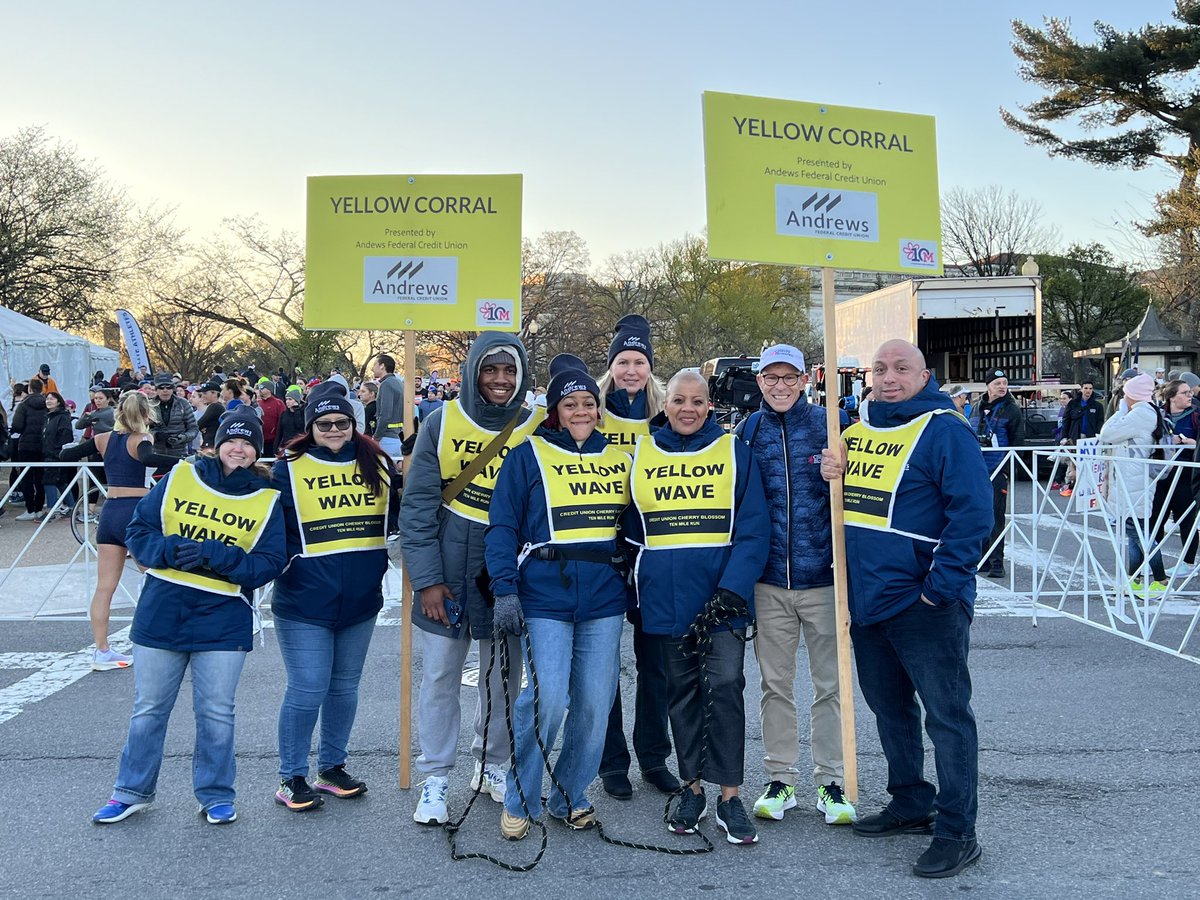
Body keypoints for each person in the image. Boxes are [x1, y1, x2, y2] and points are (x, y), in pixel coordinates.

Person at [820, 339, 992, 879]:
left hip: (924, 603)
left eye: (901, 369)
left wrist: (938, 589)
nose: (889, 377)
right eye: (880, 368)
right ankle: (911, 801)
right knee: (891, 712)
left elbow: (974, 516)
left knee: (947, 718)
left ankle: (957, 830)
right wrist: (831, 472)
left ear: (925, 375)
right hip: (867, 602)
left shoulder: (944, 428)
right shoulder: (854, 429)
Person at [91, 410, 287, 825]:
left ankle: (215, 794)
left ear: (257, 450)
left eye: (249, 443)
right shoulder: (181, 477)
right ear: (215, 444)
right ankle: (130, 791)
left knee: (216, 712)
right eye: (232, 440)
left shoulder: (267, 498)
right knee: (148, 709)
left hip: (223, 617)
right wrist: (166, 550)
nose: (240, 449)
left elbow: (268, 563)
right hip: (163, 610)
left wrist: (215, 555)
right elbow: (139, 531)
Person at [486, 356, 631, 839]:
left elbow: (635, 527)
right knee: (547, 698)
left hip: (603, 596)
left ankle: (570, 792)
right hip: (544, 592)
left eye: (589, 402)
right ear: (555, 411)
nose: (581, 411)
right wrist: (504, 589)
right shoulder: (527, 455)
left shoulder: (620, 457)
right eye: (570, 404)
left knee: (593, 704)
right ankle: (520, 795)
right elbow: (502, 526)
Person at [401, 333, 541, 825]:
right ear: (472, 372)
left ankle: (493, 762)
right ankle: (436, 776)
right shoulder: (441, 422)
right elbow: (416, 507)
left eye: (510, 371)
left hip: (507, 569)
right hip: (446, 567)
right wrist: (426, 579)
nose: (500, 380)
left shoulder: (536, 425)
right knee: (440, 675)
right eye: (490, 370)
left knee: (504, 676)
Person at [624, 369, 769, 845]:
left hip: (721, 602)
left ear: (710, 406)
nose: (688, 408)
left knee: (725, 688)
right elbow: (627, 530)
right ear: (665, 404)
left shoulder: (733, 451)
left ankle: (730, 795)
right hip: (664, 601)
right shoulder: (641, 453)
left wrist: (733, 590)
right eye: (679, 400)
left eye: (698, 401)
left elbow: (754, 529)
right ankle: (692, 789)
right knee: (681, 696)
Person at [735, 345, 856, 826]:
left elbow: (862, 495)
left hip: (823, 580)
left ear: (805, 380)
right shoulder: (748, 431)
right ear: (759, 381)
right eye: (771, 377)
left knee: (831, 685)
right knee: (775, 686)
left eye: (790, 377)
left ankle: (831, 779)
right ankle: (781, 777)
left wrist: (840, 474)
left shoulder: (830, 426)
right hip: (769, 583)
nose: (780, 386)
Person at [271, 381, 397, 811]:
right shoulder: (289, 465)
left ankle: (331, 767)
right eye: (324, 423)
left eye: (342, 422)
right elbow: (270, 523)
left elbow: (399, 513)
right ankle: (291, 776)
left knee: (344, 688)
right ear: (310, 426)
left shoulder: (376, 463)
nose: (334, 429)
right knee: (308, 688)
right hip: (305, 600)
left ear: (353, 423)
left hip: (360, 599)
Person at [594, 314, 677, 800]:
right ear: (611, 366)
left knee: (657, 664)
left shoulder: (666, 412)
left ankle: (653, 756)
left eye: (639, 361)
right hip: (601, 547)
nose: (631, 370)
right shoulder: (591, 408)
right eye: (623, 361)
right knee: (604, 665)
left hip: (653, 550)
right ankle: (611, 762)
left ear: (650, 367)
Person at [60, 392, 180, 669]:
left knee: (104, 587)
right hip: (136, 511)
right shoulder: (142, 439)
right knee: (156, 576)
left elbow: (68, 453)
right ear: (146, 414)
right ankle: (160, 638)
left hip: (109, 510)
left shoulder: (102, 439)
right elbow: (149, 459)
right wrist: (183, 460)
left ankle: (102, 651)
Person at [1100, 373, 1171, 592]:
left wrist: (1120, 410)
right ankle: (1135, 579)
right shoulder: (1145, 412)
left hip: (1134, 478)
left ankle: (1160, 579)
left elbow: (1106, 434)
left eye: (1125, 393)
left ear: (1132, 395)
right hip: (1133, 477)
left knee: (1138, 532)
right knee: (1134, 531)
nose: (1123, 396)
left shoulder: (1141, 413)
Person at [969, 369, 1024, 578]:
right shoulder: (976, 407)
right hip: (978, 469)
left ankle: (997, 562)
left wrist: (1011, 471)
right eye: (997, 383)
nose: (1002, 386)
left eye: (1005, 383)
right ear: (988, 386)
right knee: (978, 515)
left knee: (996, 516)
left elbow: (1018, 441)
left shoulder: (1011, 409)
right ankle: (982, 558)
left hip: (998, 468)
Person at [1155, 379, 1199, 578]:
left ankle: (1188, 563)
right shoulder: (1158, 415)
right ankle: (1153, 562)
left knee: (1186, 520)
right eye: (1184, 393)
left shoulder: (1195, 416)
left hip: (1185, 474)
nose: (1189, 396)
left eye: (1190, 392)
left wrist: (1190, 442)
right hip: (1161, 473)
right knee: (1155, 519)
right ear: (1172, 397)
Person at [1060, 380, 1105, 497]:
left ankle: (1088, 486)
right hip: (1075, 436)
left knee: (1089, 462)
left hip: (1090, 438)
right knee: (1073, 462)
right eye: (1086, 388)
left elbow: (1100, 421)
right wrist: (1064, 437)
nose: (1088, 391)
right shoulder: (1073, 404)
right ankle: (1070, 484)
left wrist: (1098, 435)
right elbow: (1066, 421)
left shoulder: (1098, 406)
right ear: (1081, 389)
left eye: (1090, 388)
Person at [12, 379, 49, 521]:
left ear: (29, 390)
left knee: (26, 478)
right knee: (40, 477)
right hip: (42, 445)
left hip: (26, 445)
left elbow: (17, 425)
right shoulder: (46, 404)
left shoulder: (23, 405)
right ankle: (39, 509)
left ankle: (30, 509)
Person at [40, 391, 77, 520]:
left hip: (55, 454)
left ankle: (51, 510)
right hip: (48, 453)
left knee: (49, 481)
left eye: (52, 399)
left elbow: (66, 435)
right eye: (47, 399)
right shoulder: (48, 417)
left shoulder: (62, 417)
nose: (48, 401)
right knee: (60, 481)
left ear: (59, 402)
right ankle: (72, 508)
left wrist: (57, 450)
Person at [150, 373, 198, 464]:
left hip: (179, 454)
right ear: (156, 389)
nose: (165, 390)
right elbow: (142, 430)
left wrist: (182, 438)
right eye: (161, 387)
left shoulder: (184, 404)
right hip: (156, 454)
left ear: (173, 389)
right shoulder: (149, 405)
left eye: (169, 387)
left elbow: (194, 429)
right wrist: (156, 435)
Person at [372, 354, 405, 458]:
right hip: (397, 437)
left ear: (382, 366)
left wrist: (376, 437)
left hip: (386, 439)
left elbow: (385, 414)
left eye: (374, 365)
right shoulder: (398, 383)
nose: (372, 368)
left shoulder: (386, 384)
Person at [256, 379, 286, 453]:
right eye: (259, 387)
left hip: (273, 441)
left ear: (269, 390)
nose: (260, 390)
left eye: (262, 387)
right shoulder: (257, 403)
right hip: (259, 441)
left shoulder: (278, 403)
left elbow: (283, 421)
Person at [277, 385, 307, 450]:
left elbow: (299, 425)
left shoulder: (303, 412)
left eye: (290, 399)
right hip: (286, 445)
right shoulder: (284, 414)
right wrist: (276, 448)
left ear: (296, 400)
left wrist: (296, 410)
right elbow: (279, 432)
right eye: (286, 399)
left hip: (300, 446)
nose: (287, 401)